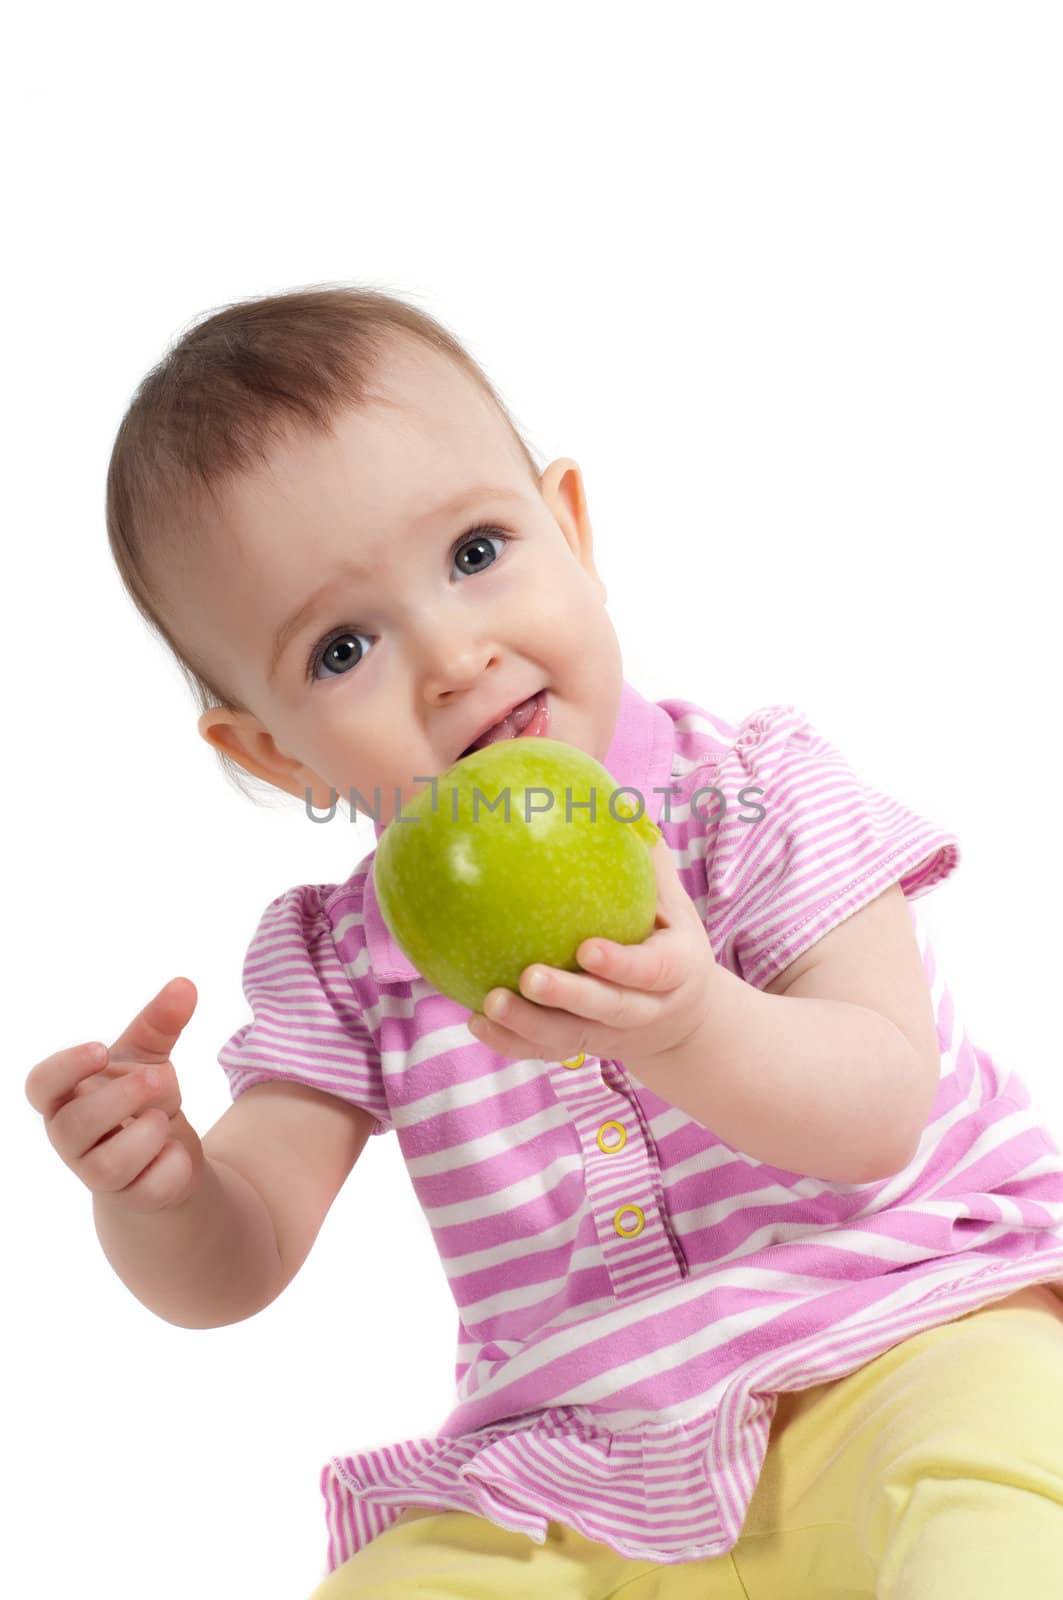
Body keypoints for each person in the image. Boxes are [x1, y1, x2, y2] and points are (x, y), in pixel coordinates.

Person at [25, 286, 1063, 1598]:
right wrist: (159, 1192)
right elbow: (237, 1261)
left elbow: (877, 1111)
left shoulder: (760, 797)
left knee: (1003, 1465)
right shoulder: (347, 960)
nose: (454, 657)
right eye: (343, 647)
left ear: (571, 531)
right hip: (582, 1473)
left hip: (903, 1335)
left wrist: (696, 1028)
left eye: (474, 553)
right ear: (274, 751)